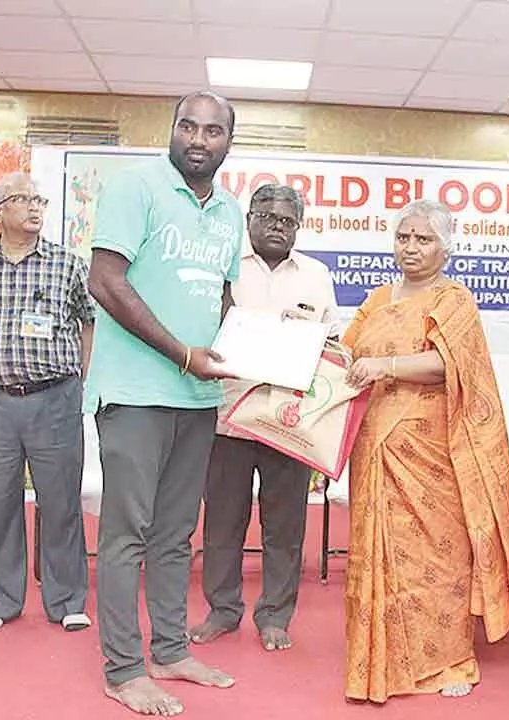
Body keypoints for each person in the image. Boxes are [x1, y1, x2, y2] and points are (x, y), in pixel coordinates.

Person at [84, 91, 243, 717]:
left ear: (229, 142)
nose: (198, 140)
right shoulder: (136, 187)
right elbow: (105, 281)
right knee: (128, 535)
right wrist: (181, 352)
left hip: (198, 397)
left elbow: (219, 304)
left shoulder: (229, 212)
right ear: (172, 131)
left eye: (212, 131)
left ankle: (171, 649)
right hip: (135, 393)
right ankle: (123, 669)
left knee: (177, 535)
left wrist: (266, 351)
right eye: (188, 126)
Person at [341, 199, 509, 702]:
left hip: (432, 450)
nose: (412, 247)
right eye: (404, 237)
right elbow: (347, 351)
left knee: (437, 556)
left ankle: (448, 661)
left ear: (446, 247)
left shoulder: (453, 300)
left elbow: (452, 365)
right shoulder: (378, 299)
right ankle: (380, 660)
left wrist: (387, 367)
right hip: (375, 443)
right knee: (379, 551)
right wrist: (307, 334)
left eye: (423, 239)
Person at [0, 171, 94, 634]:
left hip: (54, 399)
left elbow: (90, 322)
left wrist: (80, 380)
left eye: (39, 200)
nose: (35, 208)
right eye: (24, 199)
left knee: (61, 502)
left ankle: (66, 600)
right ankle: (1, 599)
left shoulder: (68, 264)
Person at [189, 184, 341, 652]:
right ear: (250, 217)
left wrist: (310, 341)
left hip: (288, 421)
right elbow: (199, 329)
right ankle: (222, 610)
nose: (278, 226)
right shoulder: (223, 267)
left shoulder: (316, 275)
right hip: (229, 415)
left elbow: (332, 342)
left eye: (288, 221)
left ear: (299, 225)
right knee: (223, 521)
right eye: (269, 217)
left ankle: (275, 615)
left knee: (285, 525)